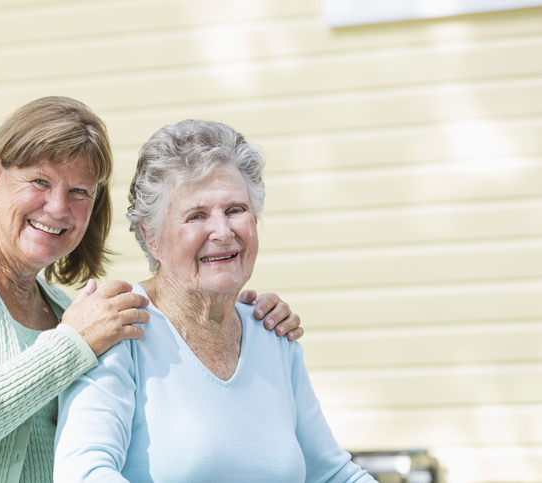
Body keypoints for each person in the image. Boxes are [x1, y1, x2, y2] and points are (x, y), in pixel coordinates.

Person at [0, 97, 302, 483]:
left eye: (79, 191)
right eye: (40, 182)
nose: (57, 207)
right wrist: (70, 345)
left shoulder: (63, 311)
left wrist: (237, 314)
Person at [53, 119, 375, 482]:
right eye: (197, 216)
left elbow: (332, 474)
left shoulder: (272, 332)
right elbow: (83, 473)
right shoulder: (116, 324)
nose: (223, 232)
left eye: (235, 210)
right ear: (151, 236)